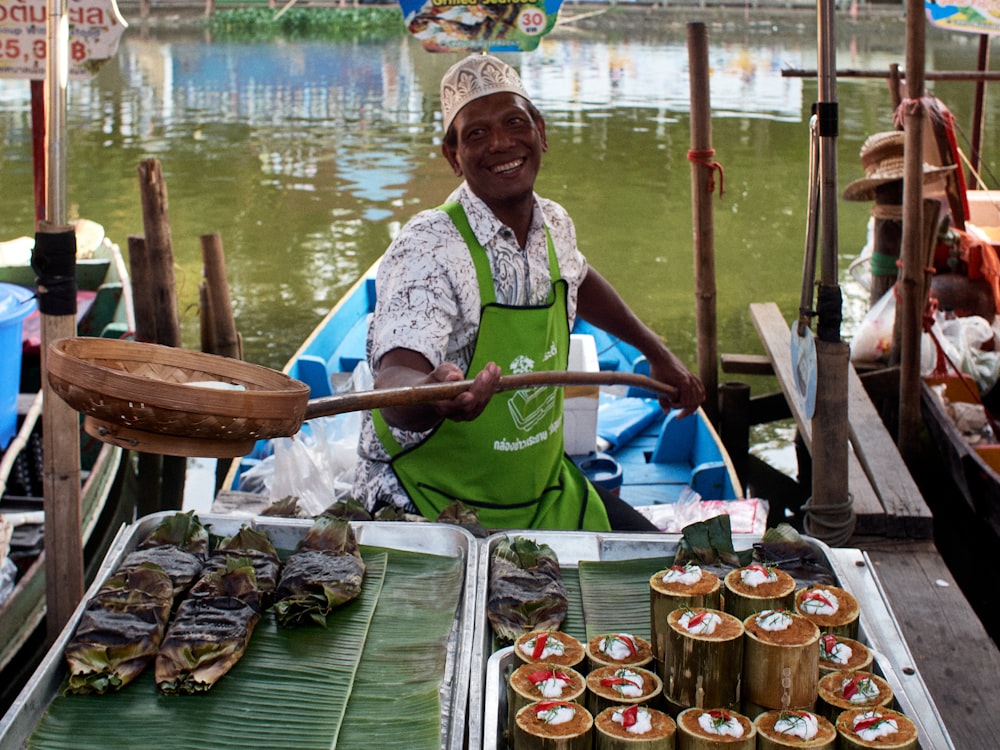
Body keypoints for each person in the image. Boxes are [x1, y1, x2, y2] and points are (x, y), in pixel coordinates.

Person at [353, 53, 705, 531]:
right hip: (430, 500)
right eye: (476, 134)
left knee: (662, 569)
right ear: (453, 156)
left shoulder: (555, 222)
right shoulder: (428, 246)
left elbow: (577, 276)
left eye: (515, 122)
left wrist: (656, 351)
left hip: (539, 490)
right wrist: (431, 397)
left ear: (541, 132)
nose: (501, 143)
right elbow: (394, 377)